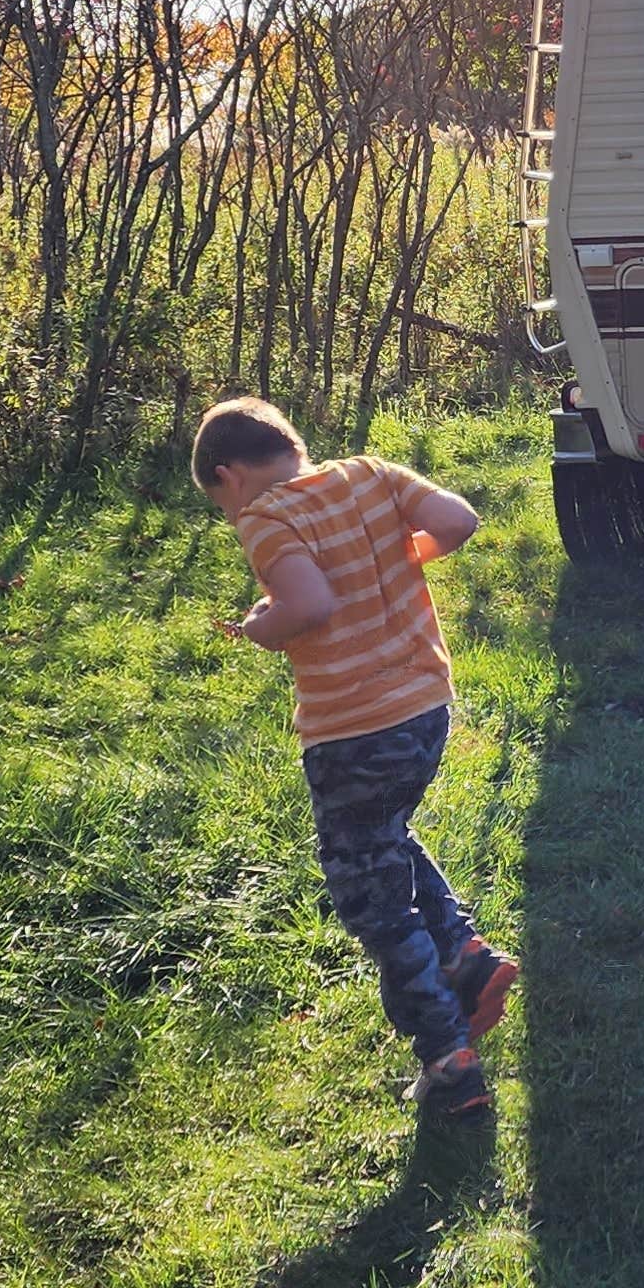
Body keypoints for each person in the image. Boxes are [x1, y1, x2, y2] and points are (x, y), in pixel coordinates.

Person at [194, 397, 516, 1118]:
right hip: (425, 708)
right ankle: (464, 956)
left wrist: (264, 627)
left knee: (372, 899)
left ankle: (448, 1057)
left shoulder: (266, 517)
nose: (231, 514)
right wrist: (400, 557)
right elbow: (458, 522)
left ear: (230, 475)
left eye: (222, 502)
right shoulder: (369, 473)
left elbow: (309, 606)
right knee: (382, 836)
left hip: (353, 729)